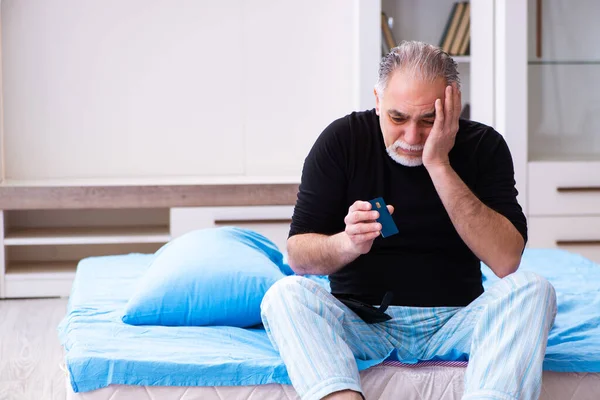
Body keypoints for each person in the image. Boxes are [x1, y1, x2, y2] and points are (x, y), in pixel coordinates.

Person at [260, 41, 557, 400]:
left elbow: (506, 261)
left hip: (458, 321)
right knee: (284, 295)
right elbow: (298, 257)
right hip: (362, 323)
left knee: (534, 289)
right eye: (397, 118)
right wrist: (347, 243)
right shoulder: (341, 141)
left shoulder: (484, 146)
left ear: (453, 105)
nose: (412, 138)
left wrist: (439, 164)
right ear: (378, 100)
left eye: (429, 121)